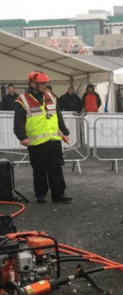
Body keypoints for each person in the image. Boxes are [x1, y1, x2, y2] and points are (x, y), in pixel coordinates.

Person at [13, 71, 72, 203]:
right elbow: (18, 121)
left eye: (45, 83)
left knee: (56, 168)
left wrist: (64, 131)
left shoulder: (52, 96)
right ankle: (41, 194)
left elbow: (58, 116)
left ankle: (58, 194)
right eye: (41, 83)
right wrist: (21, 137)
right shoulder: (22, 100)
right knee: (39, 170)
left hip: (54, 139)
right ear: (32, 83)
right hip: (36, 141)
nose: (44, 85)